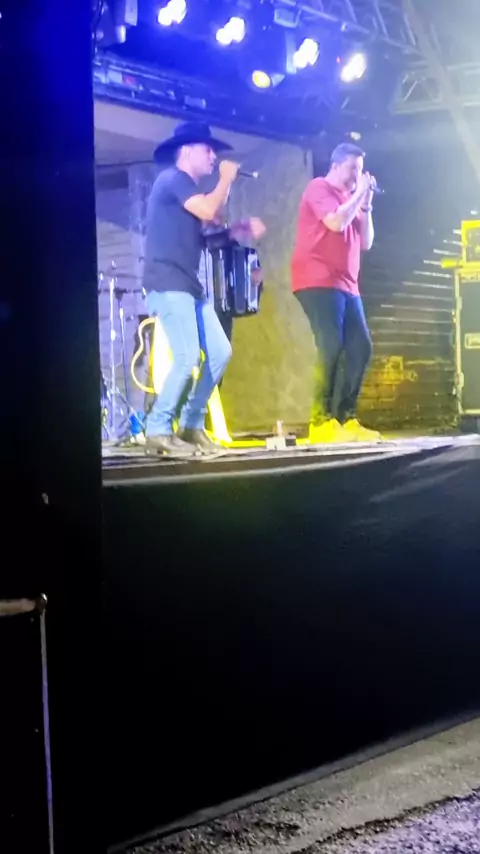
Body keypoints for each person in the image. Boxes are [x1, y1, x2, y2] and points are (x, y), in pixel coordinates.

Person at [143, 121, 265, 457]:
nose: (214, 156)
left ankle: (191, 423)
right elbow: (210, 210)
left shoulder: (187, 192)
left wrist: (238, 228)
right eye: (208, 150)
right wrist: (226, 178)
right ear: (186, 151)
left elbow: (207, 233)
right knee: (186, 358)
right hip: (168, 282)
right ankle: (158, 429)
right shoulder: (173, 179)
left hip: (188, 285)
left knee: (220, 352)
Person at [291, 142, 381, 443]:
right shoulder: (319, 188)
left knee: (360, 347)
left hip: (347, 284)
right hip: (317, 279)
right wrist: (358, 195)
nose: (357, 175)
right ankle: (320, 421)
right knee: (331, 345)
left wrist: (366, 202)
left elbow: (366, 242)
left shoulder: (351, 199)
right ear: (335, 165)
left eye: (360, 169)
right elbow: (336, 222)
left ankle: (346, 418)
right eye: (353, 168)